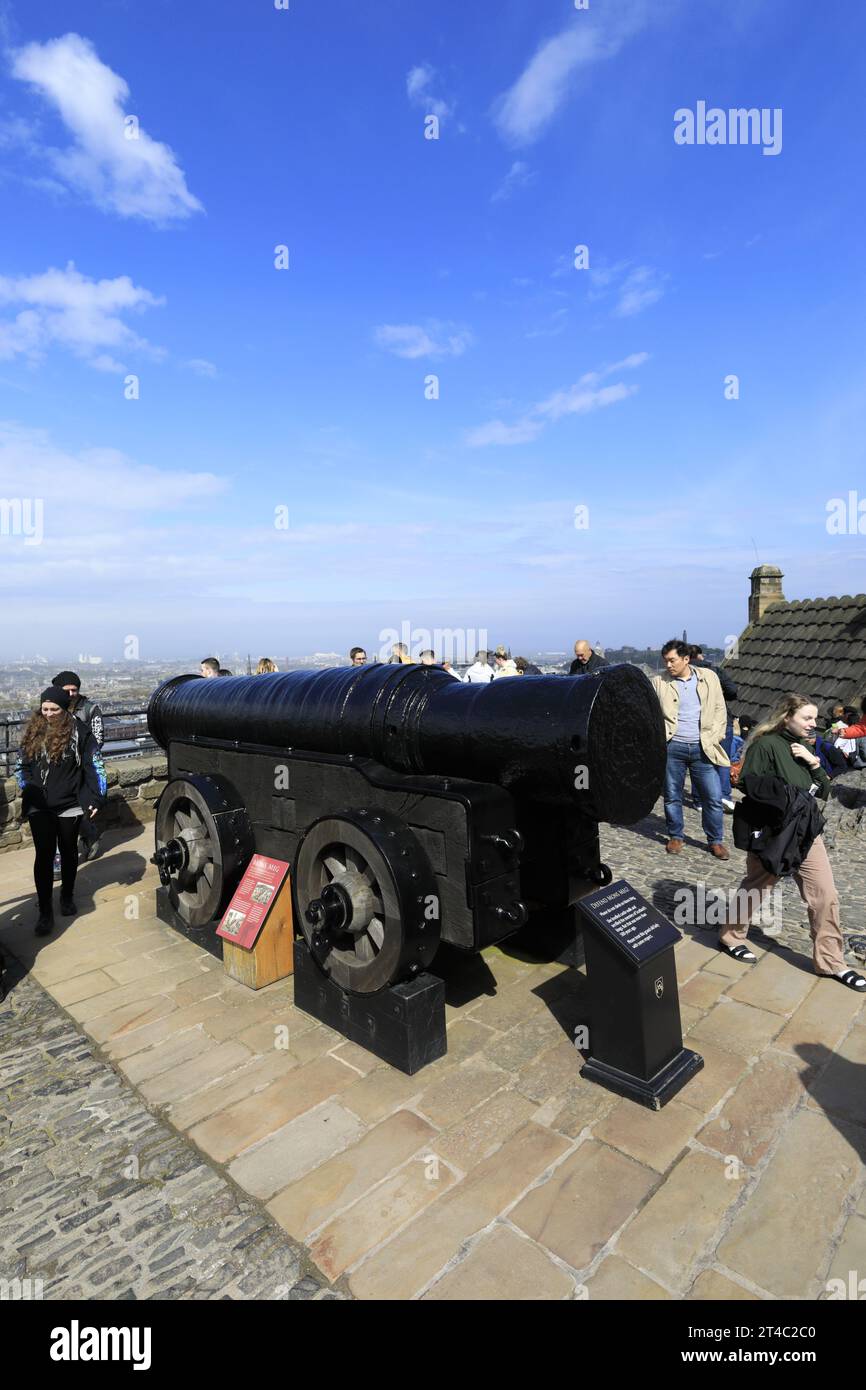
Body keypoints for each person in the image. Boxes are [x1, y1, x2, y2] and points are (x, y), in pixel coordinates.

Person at [717, 693, 865, 990]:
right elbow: (748, 783)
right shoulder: (766, 744)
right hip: (775, 831)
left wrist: (812, 762)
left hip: (807, 829)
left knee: (825, 894)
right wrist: (790, 792)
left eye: (814, 718)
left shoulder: (806, 747)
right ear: (787, 717)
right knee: (757, 888)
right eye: (807, 718)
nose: (814, 724)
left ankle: (831, 962)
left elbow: (823, 790)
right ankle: (731, 936)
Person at [15, 687, 107, 937]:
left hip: (70, 802)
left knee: (68, 852)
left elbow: (95, 765)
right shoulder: (34, 731)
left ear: (64, 708)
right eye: (44, 709)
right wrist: (28, 788)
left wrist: (98, 797)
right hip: (39, 805)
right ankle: (45, 911)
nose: (48, 714)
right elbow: (20, 765)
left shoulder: (80, 732)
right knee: (43, 856)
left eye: (54, 709)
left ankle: (66, 896)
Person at [651, 640, 730, 858]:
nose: (668, 665)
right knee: (672, 795)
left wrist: (715, 736)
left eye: (672, 660)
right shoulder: (659, 682)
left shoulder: (709, 677)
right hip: (672, 747)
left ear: (686, 659)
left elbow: (719, 710)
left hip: (702, 747)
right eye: (665, 660)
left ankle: (715, 841)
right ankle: (676, 836)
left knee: (713, 797)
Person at [53, 670, 105, 862]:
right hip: (58, 771)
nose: (71, 694)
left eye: (74, 690)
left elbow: (98, 739)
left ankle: (89, 834)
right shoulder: (52, 707)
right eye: (67, 690)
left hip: (82, 769)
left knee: (80, 812)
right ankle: (58, 857)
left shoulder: (90, 709)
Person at [690, 646, 738, 813]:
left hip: (697, 720)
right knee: (723, 758)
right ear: (700, 655)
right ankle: (724, 795)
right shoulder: (714, 670)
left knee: (699, 759)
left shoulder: (685, 672)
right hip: (722, 719)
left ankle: (699, 799)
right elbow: (733, 691)